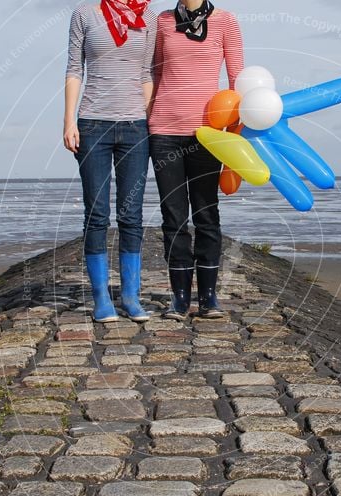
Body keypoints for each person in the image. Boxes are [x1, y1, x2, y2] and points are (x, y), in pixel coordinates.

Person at [148, 0, 243, 320]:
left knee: (206, 213)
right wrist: (142, 121)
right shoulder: (162, 21)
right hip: (163, 131)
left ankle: (209, 298)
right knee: (173, 217)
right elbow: (154, 73)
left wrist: (236, 135)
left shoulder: (226, 21)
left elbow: (237, 79)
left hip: (209, 135)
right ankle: (179, 298)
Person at [64, 1, 156, 322]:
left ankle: (130, 297)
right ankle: (102, 298)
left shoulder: (148, 16)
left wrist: (150, 123)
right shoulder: (84, 14)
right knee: (97, 213)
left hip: (135, 127)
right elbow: (75, 68)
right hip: (92, 125)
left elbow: (147, 74)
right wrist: (69, 121)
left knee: (131, 214)